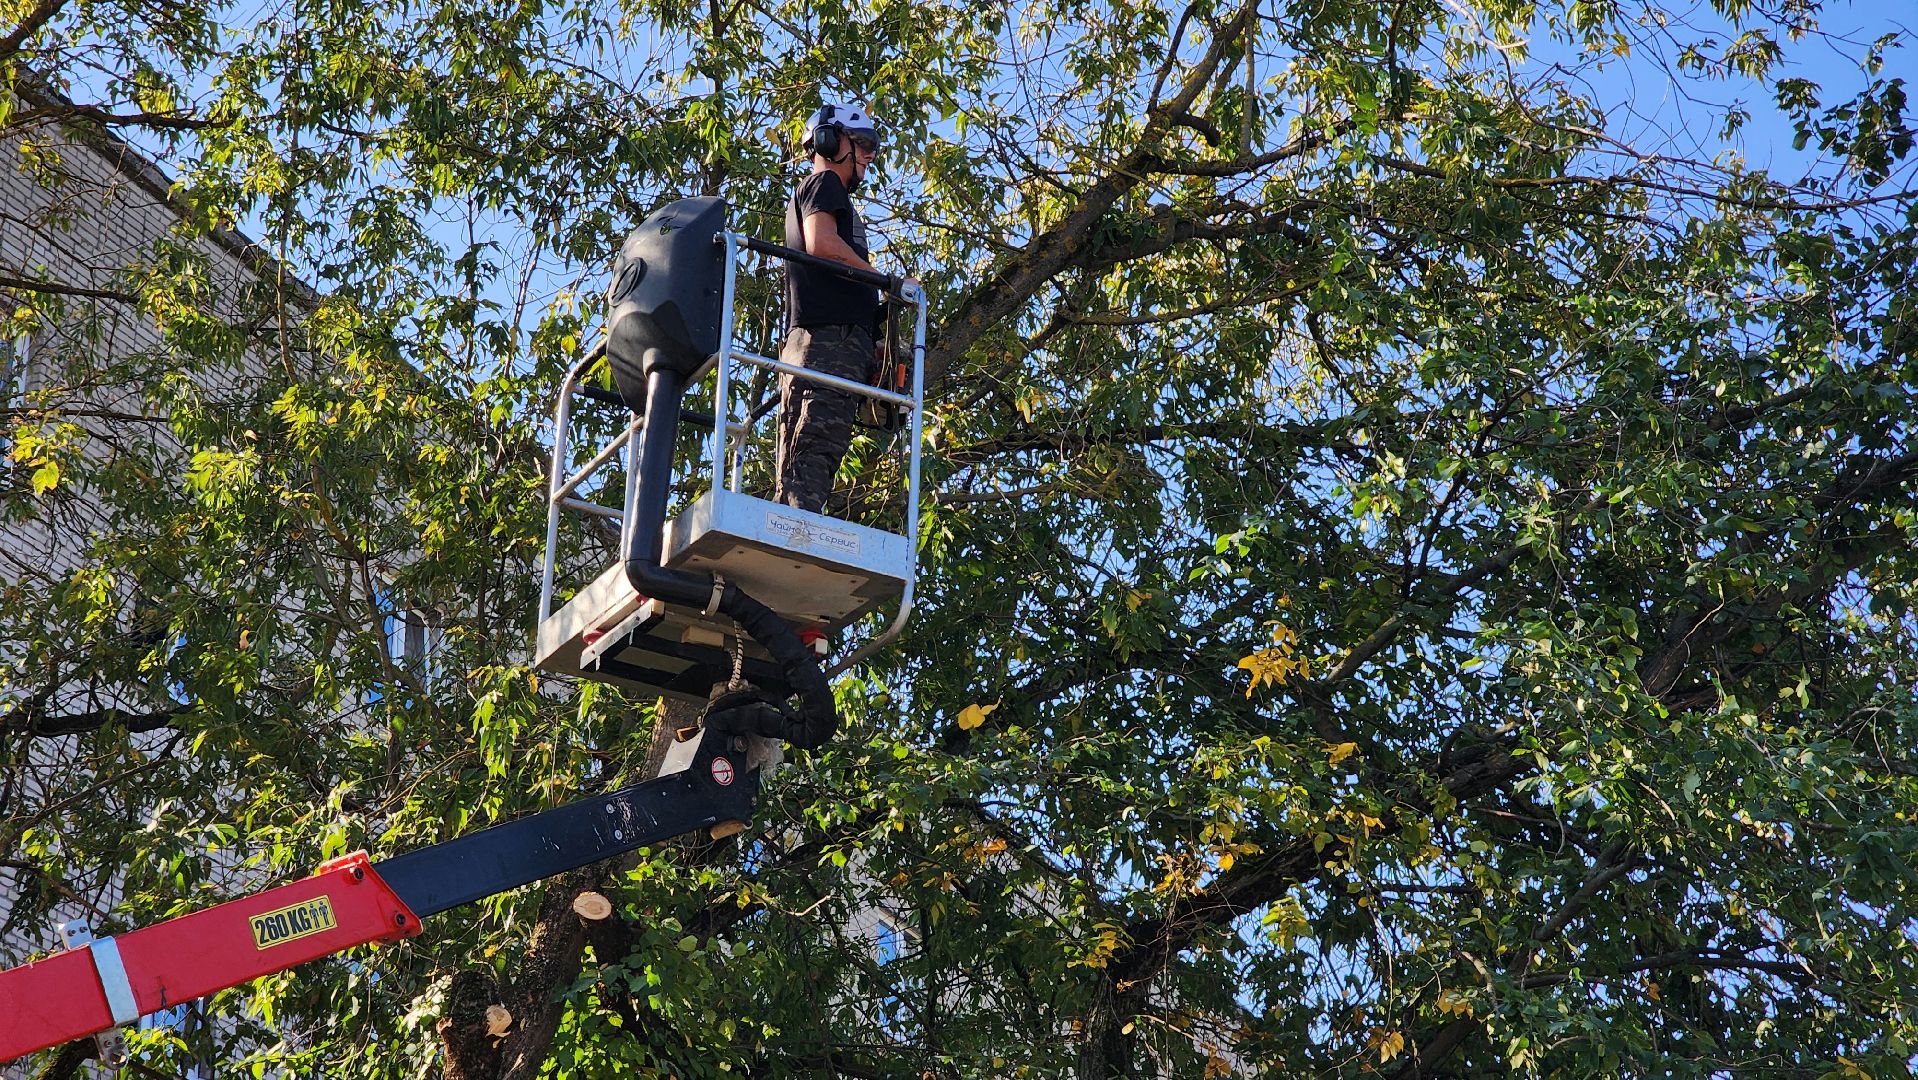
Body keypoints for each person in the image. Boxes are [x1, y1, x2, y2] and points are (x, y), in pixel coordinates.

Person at [774, 101, 892, 514]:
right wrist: (886, 282)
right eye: (861, 144)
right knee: (815, 447)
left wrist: (873, 344)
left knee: (809, 452)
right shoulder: (824, 184)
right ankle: (797, 531)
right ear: (830, 140)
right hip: (828, 341)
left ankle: (794, 523)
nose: (868, 155)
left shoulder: (826, 191)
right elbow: (822, 245)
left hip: (833, 341)